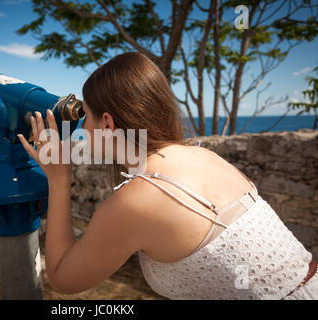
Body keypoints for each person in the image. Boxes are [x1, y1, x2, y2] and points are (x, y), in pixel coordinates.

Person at [17, 52, 317, 300]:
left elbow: (62, 278)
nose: (82, 129)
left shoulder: (135, 202)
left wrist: (58, 179)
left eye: (86, 117)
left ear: (107, 123)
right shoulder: (204, 156)